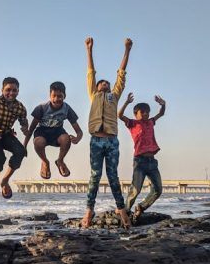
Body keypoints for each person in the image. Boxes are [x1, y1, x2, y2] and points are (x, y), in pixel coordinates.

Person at [81, 37, 133, 229]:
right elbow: (90, 73)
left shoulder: (114, 96)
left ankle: (121, 209)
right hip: (96, 140)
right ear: (96, 87)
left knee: (113, 176)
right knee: (94, 176)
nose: (104, 84)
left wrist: (126, 50)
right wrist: (89, 50)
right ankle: (89, 209)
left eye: (107, 83)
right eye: (101, 83)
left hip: (111, 142)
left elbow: (121, 75)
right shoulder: (93, 95)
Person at [119, 92, 166, 223]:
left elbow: (161, 114)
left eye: (148, 112)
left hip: (152, 162)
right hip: (139, 161)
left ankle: (141, 207)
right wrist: (126, 103)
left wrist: (163, 104)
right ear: (136, 113)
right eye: (143, 112)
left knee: (158, 190)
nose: (146, 114)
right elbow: (120, 115)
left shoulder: (151, 122)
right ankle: (126, 211)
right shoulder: (132, 123)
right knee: (135, 189)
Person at [0, 77, 30, 204]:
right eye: (8, 90)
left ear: (18, 91)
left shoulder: (20, 107)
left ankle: (4, 181)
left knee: (21, 151)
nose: (11, 93)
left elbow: (23, 120)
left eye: (14, 90)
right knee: (0, 157)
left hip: (6, 134)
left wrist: (24, 128)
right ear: (2, 90)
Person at [23, 81, 83, 179]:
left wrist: (78, 138)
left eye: (60, 96)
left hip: (57, 132)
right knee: (38, 142)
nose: (56, 99)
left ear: (65, 96)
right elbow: (31, 129)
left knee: (66, 138)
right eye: (53, 96)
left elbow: (79, 131)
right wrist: (24, 146)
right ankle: (45, 162)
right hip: (42, 132)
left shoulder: (67, 109)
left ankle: (60, 161)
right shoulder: (41, 108)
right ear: (50, 95)